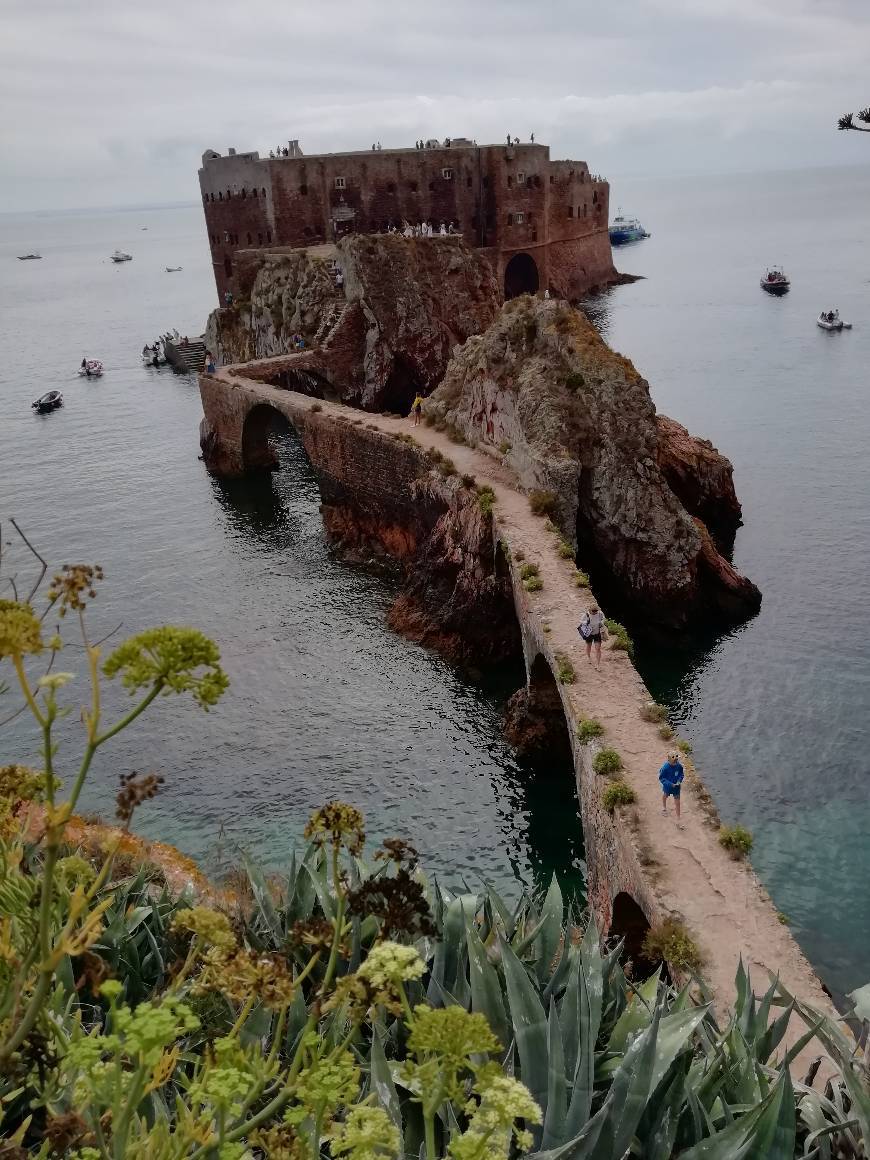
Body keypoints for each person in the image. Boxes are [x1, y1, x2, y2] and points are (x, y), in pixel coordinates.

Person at [578, 604, 607, 669]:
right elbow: (581, 621)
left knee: (598, 649)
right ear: (590, 610)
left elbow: (603, 618)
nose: (594, 612)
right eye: (593, 611)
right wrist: (586, 622)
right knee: (589, 646)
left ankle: (598, 664)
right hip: (589, 634)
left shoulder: (600, 614)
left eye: (596, 610)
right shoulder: (586, 615)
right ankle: (589, 658)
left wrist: (601, 622)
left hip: (597, 633)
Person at [658, 752, 685, 818]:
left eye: (676, 761)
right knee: (665, 795)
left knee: (677, 801)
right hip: (668, 787)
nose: (675, 763)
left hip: (676, 787)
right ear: (669, 760)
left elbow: (681, 774)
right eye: (674, 761)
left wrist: (679, 781)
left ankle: (678, 817)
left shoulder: (679, 766)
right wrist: (670, 784)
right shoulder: (665, 767)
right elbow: (661, 778)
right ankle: (664, 807)